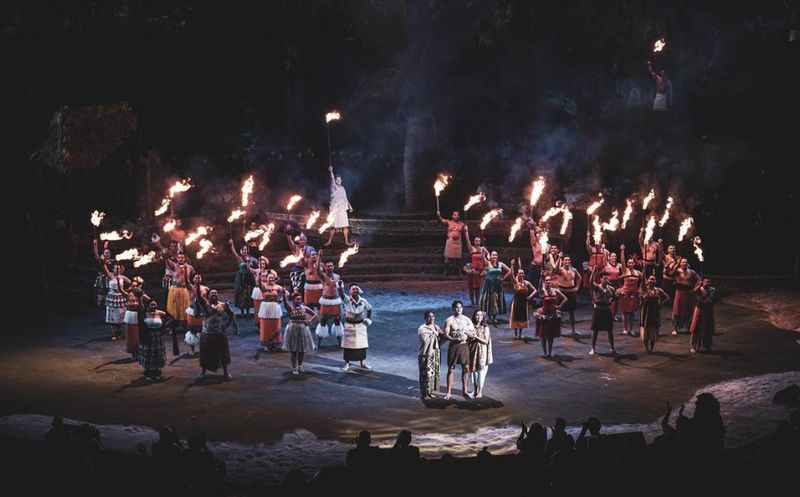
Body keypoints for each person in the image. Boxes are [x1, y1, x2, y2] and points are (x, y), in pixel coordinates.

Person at [194, 284, 237, 380]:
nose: (214, 294)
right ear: (208, 296)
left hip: (219, 333)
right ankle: (203, 372)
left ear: (218, 295)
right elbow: (198, 296)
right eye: (212, 293)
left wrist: (227, 325)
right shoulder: (205, 304)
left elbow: (231, 314)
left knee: (223, 353)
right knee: (205, 353)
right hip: (207, 333)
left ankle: (225, 373)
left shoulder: (223, 305)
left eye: (215, 293)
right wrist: (197, 285)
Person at [443, 300, 476, 400]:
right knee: (450, 369)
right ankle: (448, 392)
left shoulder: (467, 320)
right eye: (456, 307)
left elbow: (473, 333)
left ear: (462, 308)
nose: (459, 309)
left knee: (466, 368)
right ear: (453, 309)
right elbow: (446, 335)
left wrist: (467, 333)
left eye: (460, 307)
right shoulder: (449, 320)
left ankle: (465, 391)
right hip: (454, 346)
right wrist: (454, 339)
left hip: (464, 345)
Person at [165, 252, 196, 355]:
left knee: (186, 317)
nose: (180, 259)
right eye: (179, 257)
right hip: (174, 291)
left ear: (185, 258)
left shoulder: (190, 267)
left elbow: (193, 278)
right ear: (177, 258)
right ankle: (174, 340)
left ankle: (191, 342)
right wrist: (161, 247)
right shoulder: (174, 266)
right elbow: (167, 260)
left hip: (184, 291)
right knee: (173, 316)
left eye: (182, 257)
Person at [281, 292, 317, 374]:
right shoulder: (290, 308)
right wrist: (284, 296)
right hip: (293, 329)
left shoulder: (304, 308)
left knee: (302, 349)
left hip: (303, 329)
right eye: (297, 299)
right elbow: (285, 303)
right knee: (294, 350)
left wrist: (309, 321)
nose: (299, 301)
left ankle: (300, 365)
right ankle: (294, 367)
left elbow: (314, 314)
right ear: (293, 300)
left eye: (300, 299)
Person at [341, 285, 373, 371]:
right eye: (353, 289)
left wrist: (368, 319)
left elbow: (369, 308)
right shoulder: (347, 300)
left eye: (356, 289)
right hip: (349, 325)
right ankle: (347, 364)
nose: (355, 290)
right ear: (350, 291)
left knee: (362, 345)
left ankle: (363, 363)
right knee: (348, 346)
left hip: (360, 325)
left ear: (359, 290)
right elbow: (341, 294)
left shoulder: (363, 301)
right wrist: (340, 287)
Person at [138, 300, 172, 381]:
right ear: (148, 305)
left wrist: (165, 327)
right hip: (148, 336)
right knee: (148, 354)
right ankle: (148, 372)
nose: (153, 306)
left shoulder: (159, 313)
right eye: (152, 305)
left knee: (157, 354)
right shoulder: (144, 313)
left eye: (155, 305)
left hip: (158, 336)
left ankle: (157, 372)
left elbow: (171, 318)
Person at [535, 278, 566, 358]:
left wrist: (559, 306)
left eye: (549, 280)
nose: (548, 282)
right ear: (544, 282)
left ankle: (550, 352)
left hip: (552, 314)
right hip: (544, 313)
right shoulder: (543, 291)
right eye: (546, 280)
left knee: (550, 335)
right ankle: (545, 352)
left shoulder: (555, 290)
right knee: (543, 335)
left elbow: (565, 298)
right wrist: (540, 279)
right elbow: (538, 289)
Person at [478, 251, 512, 324]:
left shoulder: (500, 264)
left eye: (496, 255)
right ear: (491, 256)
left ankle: (494, 317)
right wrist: (484, 254)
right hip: (489, 285)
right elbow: (483, 258)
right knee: (489, 300)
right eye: (493, 255)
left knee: (496, 301)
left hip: (498, 285)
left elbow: (510, 271)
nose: (494, 256)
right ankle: (489, 317)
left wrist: (503, 278)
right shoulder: (488, 263)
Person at [324, 165, 354, 247]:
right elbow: (332, 179)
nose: (338, 181)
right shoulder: (333, 187)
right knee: (333, 227)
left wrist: (350, 206)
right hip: (335, 210)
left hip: (342, 209)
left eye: (340, 179)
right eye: (337, 180)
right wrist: (331, 171)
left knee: (345, 226)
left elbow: (345, 198)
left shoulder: (343, 188)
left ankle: (346, 241)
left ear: (341, 180)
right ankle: (329, 241)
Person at [316, 260, 344, 347]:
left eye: (331, 266)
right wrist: (319, 258)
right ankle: (319, 343)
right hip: (326, 301)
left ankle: (339, 342)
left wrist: (341, 292)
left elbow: (340, 290)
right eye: (328, 266)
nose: (330, 267)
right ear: (325, 267)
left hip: (335, 300)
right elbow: (317, 271)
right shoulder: (323, 277)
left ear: (333, 267)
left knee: (337, 320)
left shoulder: (337, 276)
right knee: (323, 321)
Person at [589, 268, 616, 355]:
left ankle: (612, 348)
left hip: (607, 309)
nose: (605, 279)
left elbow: (614, 297)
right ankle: (593, 348)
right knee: (595, 330)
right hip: (598, 309)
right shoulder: (597, 287)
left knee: (609, 330)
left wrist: (610, 302)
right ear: (600, 279)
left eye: (606, 278)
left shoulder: (611, 288)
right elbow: (590, 282)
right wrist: (593, 271)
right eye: (604, 278)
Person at [639, 275, 670, 352]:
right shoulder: (644, 289)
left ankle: (652, 348)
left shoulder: (658, 290)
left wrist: (661, 304)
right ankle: (646, 348)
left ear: (655, 281)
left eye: (653, 279)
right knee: (645, 331)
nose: (651, 281)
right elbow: (642, 283)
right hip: (646, 312)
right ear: (648, 281)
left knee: (653, 331)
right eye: (650, 279)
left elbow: (667, 297)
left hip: (654, 312)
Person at [417, 311, 443, 400]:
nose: (431, 318)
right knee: (425, 374)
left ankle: (430, 392)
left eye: (433, 316)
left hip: (434, 354)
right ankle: (424, 394)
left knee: (432, 374)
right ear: (425, 318)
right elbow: (425, 340)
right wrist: (435, 332)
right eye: (429, 317)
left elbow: (442, 337)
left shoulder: (436, 327)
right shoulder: (422, 328)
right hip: (425, 354)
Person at [257, 270, 285, 351]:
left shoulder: (278, 287)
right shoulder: (264, 286)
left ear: (275, 279)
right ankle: (266, 343)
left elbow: (285, 294)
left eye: (272, 278)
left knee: (275, 324)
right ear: (267, 279)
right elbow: (258, 282)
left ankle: (276, 342)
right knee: (266, 325)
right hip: (266, 307)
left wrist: (281, 298)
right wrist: (259, 275)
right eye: (269, 278)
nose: (271, 279)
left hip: (275, 307)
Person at [228, 239, 257, 318]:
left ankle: (247, 311)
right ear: (241, 251)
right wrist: (232, 245)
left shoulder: (251, 259)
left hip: (248, 278)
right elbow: (234, 252)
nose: (244, 251)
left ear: (247, 250)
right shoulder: (239, 259)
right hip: (241, 278)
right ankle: (242, 312)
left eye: (245, 249)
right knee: (241, 295)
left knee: (248, 294)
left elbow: (256, 266)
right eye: (243, 250)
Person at [121, 276, 148, 359]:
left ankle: (139, 351)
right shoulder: (129, 294)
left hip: (138, 315)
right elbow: (121, 291)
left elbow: (148, 299)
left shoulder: (140, 294)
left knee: (138, 334)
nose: (134, 285)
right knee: (131, 334)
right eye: (133, 284)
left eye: (136, 285)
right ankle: (134, 352)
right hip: (130, 315)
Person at [554, 255, 581, 336]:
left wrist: (577, 287)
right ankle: (557, 330)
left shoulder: (573, 270)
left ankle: (573, 330)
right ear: (563, 261)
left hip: (571, 291)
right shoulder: (560, 270)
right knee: (559, 311)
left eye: (568, 260)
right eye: (565, 260)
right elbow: (555, 269)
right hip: (562, 292)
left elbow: (579, 278)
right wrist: (559, 257)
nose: (567, 261)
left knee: (572, 311)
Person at [103, 261, 130, 341]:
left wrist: (127, 290)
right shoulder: (110, 275)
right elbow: (104, 267)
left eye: (118, 268)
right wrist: (103, 261)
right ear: (113, 269)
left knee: (121, 316)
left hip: (120, 297)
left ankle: (121, 333)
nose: (117, 270)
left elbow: (131, 283)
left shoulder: (122, 277)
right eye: (116, 268)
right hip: (112, 297)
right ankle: (114, 334)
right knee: (112, 317)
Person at [469, 309, 493, 399]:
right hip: (472, 350)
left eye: (480, 315)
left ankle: (480, 391)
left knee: (481, 372)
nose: (478, 317)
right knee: (473, 372)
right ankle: (474, 390)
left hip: (482, 351)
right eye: (477, 315)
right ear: (474, 316)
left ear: (483, 317)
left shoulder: (485, 327)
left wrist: (475, 337)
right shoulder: (472, 326)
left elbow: (486, 341)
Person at [671, 259, 699, 335]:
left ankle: (688, 327)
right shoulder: (677, 271)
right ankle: (675, 328)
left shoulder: (692, 272)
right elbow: (671, 274)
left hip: (689, 293)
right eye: (683, 262)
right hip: (679, 292)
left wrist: (695, 289)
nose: (684, 263)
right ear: (680, 263)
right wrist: (676, 265)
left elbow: (698, 280)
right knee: (677, 310)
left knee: (688, 310)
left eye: (686, 262)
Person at [690, 277, 717, 353]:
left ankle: (707, 346)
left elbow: (710, 300)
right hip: (699, 310)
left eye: (709, 282)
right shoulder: (699, 288)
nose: (707, 283)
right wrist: (699, 286)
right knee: (695, 328)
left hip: (708, 311)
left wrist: (702, 295)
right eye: (705, 281)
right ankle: (694, 346)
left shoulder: (712, 290)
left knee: (707, 328)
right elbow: (694, 292)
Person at [509, 267, 537, 340]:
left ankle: (520, 334)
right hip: (516, 302)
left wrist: (530, 296)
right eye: (519, 273)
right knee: (516, 317)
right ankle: (515, 334)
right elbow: (511, 275)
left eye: (522, 273)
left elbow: (535, 290)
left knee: (522, 317)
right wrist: (512, 266)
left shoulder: (527, 283)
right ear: (517, 274)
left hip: (524, 302)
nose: (521, 274)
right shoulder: (516, 282)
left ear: (524, 274)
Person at [436, 210, 466, 276]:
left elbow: (465, 231)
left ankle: (459, 272)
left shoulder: (462, 224)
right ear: (452, 216)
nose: (456, 216)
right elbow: (441, 220)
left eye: (457, 215)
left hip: (458, 242)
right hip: (450, 242)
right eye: (454, 215)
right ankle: (445, 271)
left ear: (459, 216)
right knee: (447, 258)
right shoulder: (449, 222)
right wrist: (439, 215)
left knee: (458, 259)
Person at [617, 257, 642, 336]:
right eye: (629, 263)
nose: (630, 264)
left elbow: (642, 281)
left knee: (632, 313)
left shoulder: (638, 272)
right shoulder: (625, 271)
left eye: (632, 262)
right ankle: (625, 329)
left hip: (634, 294)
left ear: (634, 264)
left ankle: (631, 329)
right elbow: (622, 261)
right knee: (625, 313)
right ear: (627, 264)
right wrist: (622, 251)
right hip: (625, 293)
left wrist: (639, 289)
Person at [184, 273, 208, 356]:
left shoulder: (205, 288)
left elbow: (207, 300)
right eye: (196, 278)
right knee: (192, 330)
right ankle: (192, 350)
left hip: (202, 311)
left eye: (199, 277)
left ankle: (203, 349)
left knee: (202, 330)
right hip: (192, 311)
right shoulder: (190, 287)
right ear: (193, 279)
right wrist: (185, 271)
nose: (197, 279)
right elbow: (186, 282)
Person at [463, 232, 489, 307]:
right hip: (472, 270)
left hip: (479, 271)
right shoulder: (472, 249)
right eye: (475, 240)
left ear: (480, 242)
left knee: (477, 287)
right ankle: (472, 302)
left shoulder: (483, 249)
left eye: (478, 240)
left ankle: (477, 302)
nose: (477, 242)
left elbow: (489, 256)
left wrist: (486, 265)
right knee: (471, 287)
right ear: (474, 242)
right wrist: (466, 233)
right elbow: (467, 241)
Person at [92, 239, 112, 308]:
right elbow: (96, 255)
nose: (107, 254)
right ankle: (99, 305)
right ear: (103, 254)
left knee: (108, 293)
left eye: (108, 253)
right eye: (105, 253)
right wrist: (95, 245)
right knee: (100, 293)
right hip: (101, 279)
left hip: (109, 279)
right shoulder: (101, 261)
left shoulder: (112, 261)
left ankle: (107, 305)